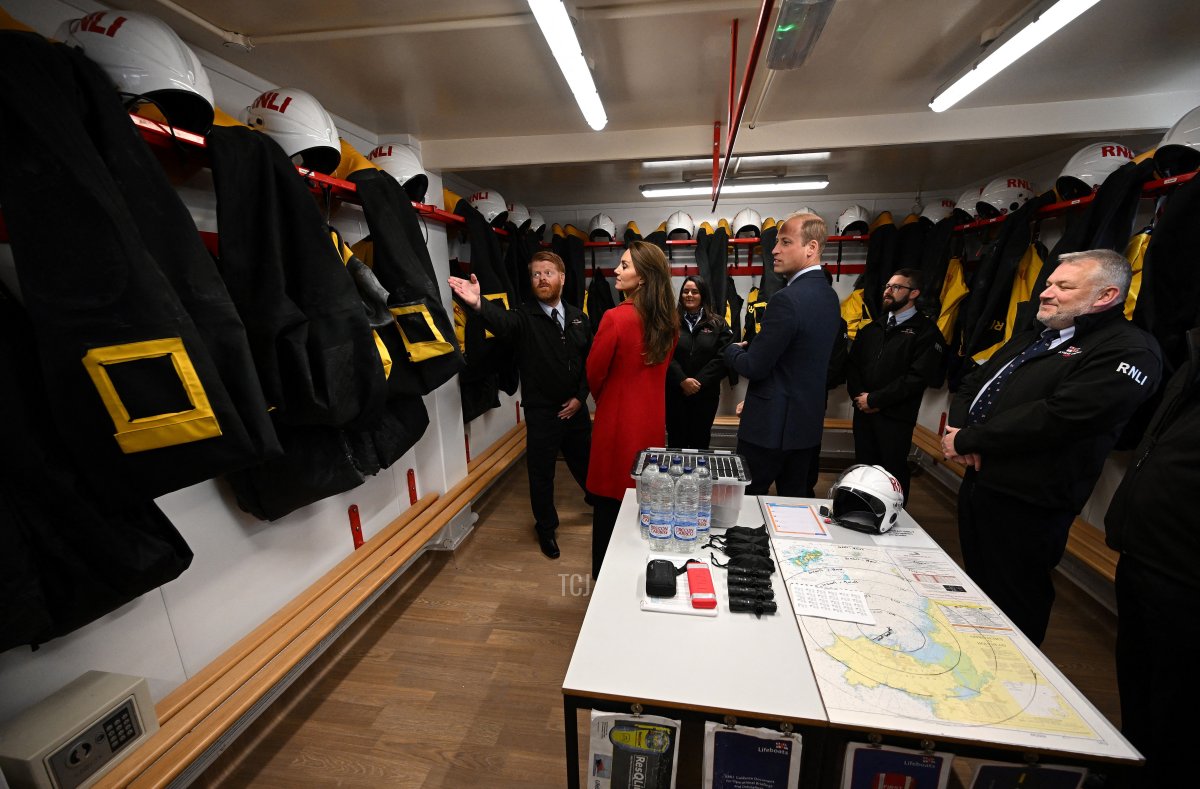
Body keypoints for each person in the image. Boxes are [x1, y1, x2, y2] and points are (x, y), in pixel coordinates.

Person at [941, 249, 1161, 646]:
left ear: (1105, 295)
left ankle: (1014, 678)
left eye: (1064, 286)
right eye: (1047, 284)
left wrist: (971, 438)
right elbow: (976, 380)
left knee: (1015, 596)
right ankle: (977, 655)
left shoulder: (1128, 349)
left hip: (1032, 499)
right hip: (980, 482)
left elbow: (1061, 416)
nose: (1046, 293)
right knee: (979, 582)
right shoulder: (1035, 338)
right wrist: (960, 426)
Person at [448, 251, 592, 560]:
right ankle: (546, 528)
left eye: (548, 273)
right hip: (543, 413)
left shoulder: (579, 317)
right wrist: (477, 304)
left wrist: (581, 397)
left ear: (562, 278)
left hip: (577, 411)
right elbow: (502, 322)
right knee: (541, 475)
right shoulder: (523, 318)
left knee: (585, 463)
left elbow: (588, 364)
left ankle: (597, 499)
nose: (542, 278)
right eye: (536, 274)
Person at [1104, 326, 1200, 788]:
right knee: (1138, 679)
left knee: (1175, 700)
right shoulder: (1190, 356)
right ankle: (1129, 762)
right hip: (1144, 549)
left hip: (1186, 569)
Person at [724, 212, 840, 496]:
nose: (775, 250)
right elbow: (798, 353)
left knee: (748, 507)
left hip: (768, 430)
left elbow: (754, 366)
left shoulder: (786, 299)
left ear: (811, 248)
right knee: (796, 507)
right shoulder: (828, 296)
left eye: (785, 242)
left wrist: (731, 351)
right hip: (805, 427)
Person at [587, 240, 678, 577]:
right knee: (644, 508)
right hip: (651, 427)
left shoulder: (615, 318)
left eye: (624, 265)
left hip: (616, 426)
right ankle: (636, 575)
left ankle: (603, 581)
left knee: (609, 509)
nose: (616, 270)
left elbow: (594, 373)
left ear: (643, 277)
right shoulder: (669, 321)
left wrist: (608, 400)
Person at [846, 268, 942, 500]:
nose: (888, 292)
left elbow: (916, 378)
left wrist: (876, 400)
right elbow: (853, 366)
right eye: (887, 286)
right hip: (864, 413)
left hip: (895, 417)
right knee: (863, 470)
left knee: (892, 473)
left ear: (914, 293)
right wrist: (861, 398)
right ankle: (860, 512)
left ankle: (896, 520)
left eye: (896, 287)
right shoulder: (872, 329)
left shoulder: (926, 333)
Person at [666, 275, 732, 449]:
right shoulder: (669, 323)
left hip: (705, 395)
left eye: (694, 292)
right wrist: (682, 380)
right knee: (676, 441)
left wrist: (699, 382)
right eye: (685, 291)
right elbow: (663, 353)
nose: (689, 295)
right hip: (675, 394)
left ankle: (698, 476)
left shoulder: (718, 323)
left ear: (702, 295)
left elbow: (724, 356)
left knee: (700, 440)